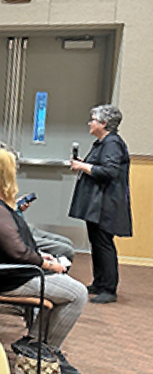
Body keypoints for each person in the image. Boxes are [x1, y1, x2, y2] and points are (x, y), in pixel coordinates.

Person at [0, 147, 86, 374]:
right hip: (3, 278)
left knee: (63, 289)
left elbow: (8, 247)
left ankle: (35, 342)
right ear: (5, 174)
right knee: (77, 294)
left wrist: (40, 256)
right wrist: (48, 265)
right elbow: (17, 252)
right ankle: (42, 348)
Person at [69, 105, 132, 304]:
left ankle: (109, 289)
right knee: (96, 243)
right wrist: (85, 164)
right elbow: (100, 166)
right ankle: (99, 282)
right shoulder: (103, 143)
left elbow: (109, 172)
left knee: (104, 244)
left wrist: (82, 166)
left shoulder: (112, 143)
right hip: (97, 205)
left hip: (106, 204)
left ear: (104, 124)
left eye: (93, 120)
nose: (90, 123)